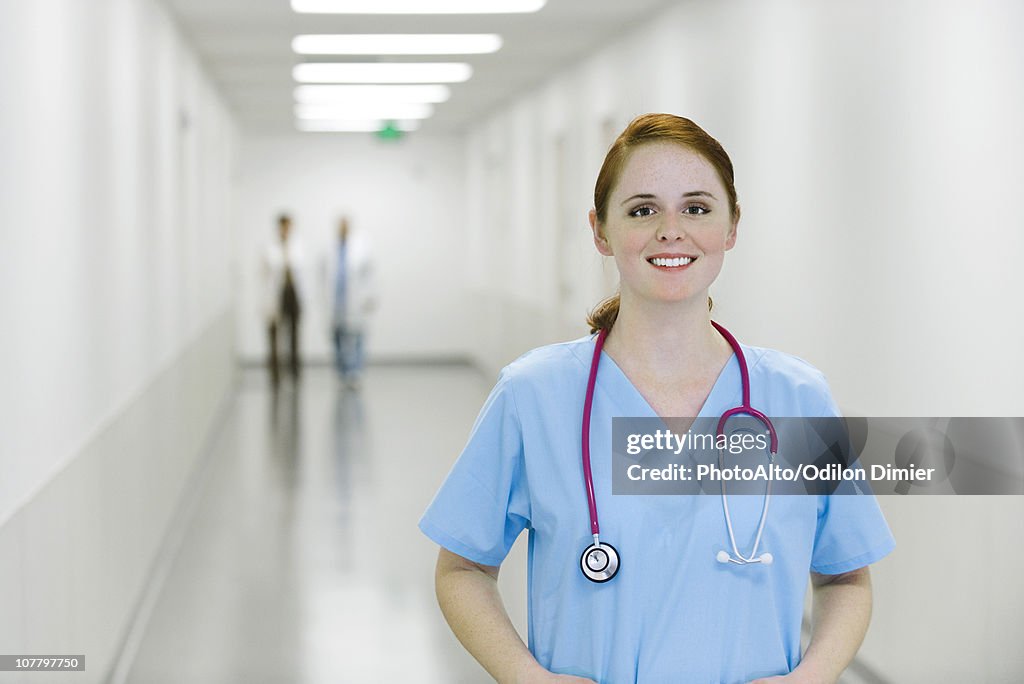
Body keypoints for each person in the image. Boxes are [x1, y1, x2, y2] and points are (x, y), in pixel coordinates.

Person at [419, 114, 895, 683]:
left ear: (732, 226)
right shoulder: (534, 395)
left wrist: (809, 678)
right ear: (600, 231)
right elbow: (463, 568)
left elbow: (845, 576)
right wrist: (528, 678)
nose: (672, 230)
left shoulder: (796, 396)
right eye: (643, 209)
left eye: (697, 208)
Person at [329, 217, 375, 388]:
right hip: (336, 302)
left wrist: (369, 296)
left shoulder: (360, 248)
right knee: (337, 337)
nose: (343, 228)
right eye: (340, 226)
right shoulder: (330, 248)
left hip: (355, 302)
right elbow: (323, 276)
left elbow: (369, 273)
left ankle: (355, 371)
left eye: (345, 226)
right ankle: (342, 371)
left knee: (357, 337)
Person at [262, 213, 305, 384]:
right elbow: (264, 276)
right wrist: (265, 303)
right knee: (274, 335)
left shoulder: (298, 246)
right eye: (284, 226)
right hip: (276, 294)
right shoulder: (269, 248)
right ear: (279, 227)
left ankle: (294, 371)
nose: (287, 230)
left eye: (289, 226)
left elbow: (302, 272)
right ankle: (275, 373)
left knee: (294, 333)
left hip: (293, 293)